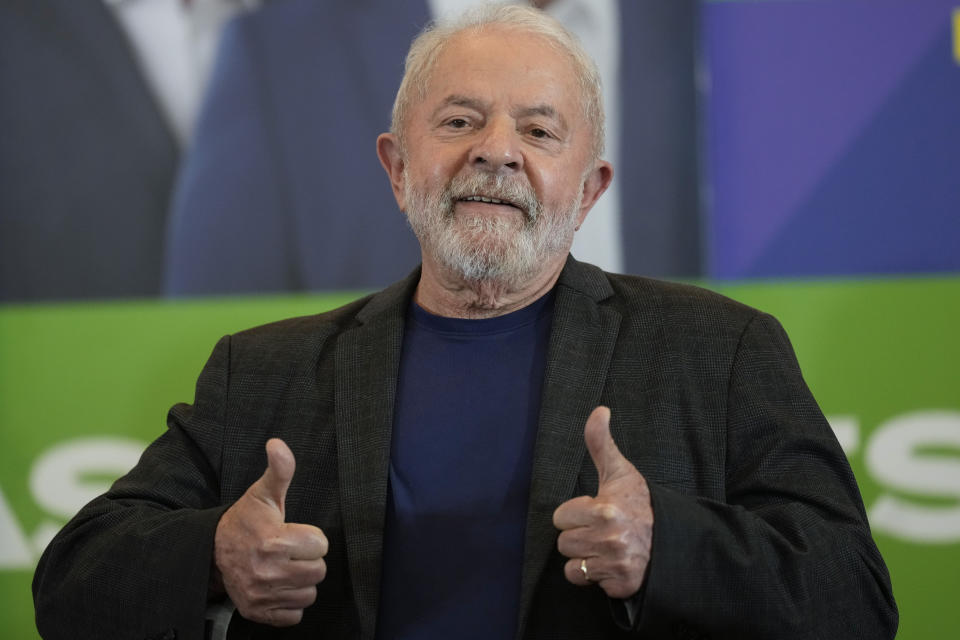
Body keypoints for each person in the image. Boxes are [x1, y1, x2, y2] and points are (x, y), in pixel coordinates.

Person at [33, 6, 897, 640]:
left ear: (591, 187)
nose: (496, 148)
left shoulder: (723, 351)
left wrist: (663, 544)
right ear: (397, 167)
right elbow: (71, 582)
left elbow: (857, 597)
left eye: (538, 129)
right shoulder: (262, 373)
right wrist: (216, 555)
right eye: (459, 120)